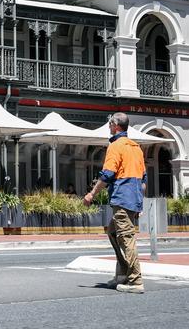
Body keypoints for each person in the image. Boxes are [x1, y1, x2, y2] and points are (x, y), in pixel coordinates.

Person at [83, 112, 147, 294]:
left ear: (116, 125)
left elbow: (108, 175)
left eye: (110, 123)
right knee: (113, 232)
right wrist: (139, 203)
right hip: (133, 199)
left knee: (126, 238)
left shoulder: (116, 146)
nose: (109, 126)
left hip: (122, 199)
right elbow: (143, 180)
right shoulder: (136, 148)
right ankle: (122, 275)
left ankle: (135, 281)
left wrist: (91, 194)